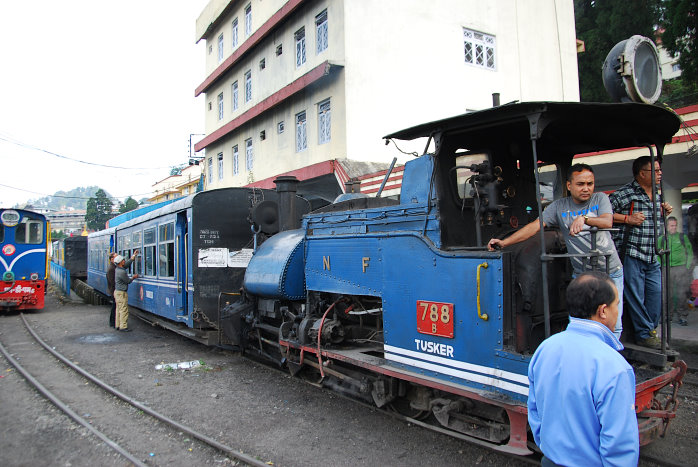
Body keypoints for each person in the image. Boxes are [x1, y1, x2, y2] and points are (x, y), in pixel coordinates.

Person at [487, 163, 624, 338]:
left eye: (590, 184)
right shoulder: (559, 207)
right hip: (582, 273)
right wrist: (504, 243)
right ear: (569, 185)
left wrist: (585, 219)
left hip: (610, 271)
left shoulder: (600, 199)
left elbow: (607, 221)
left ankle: (608, 361)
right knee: (578, 322)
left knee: (614, 324)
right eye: (581, 184)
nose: (586, 189)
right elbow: (534, 227)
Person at [528, 271, 638, 467]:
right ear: (603, 311)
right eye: (617, 305)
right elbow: (619, 443)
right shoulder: (615, 367)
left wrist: (549, 447)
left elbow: (534, 411)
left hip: (550, 460)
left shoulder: (544, 349)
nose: (617, 312)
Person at [610, 156, 673, 349]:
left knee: (655, 295)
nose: (660, 173)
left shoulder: (659, 195)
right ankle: (645, 334)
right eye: (656, 170)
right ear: (642, 174)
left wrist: (665, 212)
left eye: (660, 170)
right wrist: (628, 218)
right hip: (632, 252)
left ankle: (650, 333)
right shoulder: (625, 193)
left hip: (652, 253)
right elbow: (604, 215)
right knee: (635, 296)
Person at [660, 216, 694, 326]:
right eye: (671, 225)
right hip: (666, 268)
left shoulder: (682, 237)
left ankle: (682, 316)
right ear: (666, 226)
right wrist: (660, 266)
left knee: (681, 294)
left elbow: (690, 252)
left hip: (680, 268)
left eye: (675, 225)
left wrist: (687, 267)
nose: (674, 228)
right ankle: (666, 316)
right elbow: (657, 254)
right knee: (666, 294)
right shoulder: (662, 238)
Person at [114, 253, 139, 332]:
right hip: (121, 293)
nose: (124, 261)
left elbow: (126, 265)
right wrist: (133, 277)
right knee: (124, 310)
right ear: (120, 262)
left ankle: (117, 325)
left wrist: (133, 256)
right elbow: (128, 281)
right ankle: (123, 326)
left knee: (118, 309)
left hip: (117, 292)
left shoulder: (118, 269)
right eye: (123, 260)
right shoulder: (122, 272)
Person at [106, 252, 117, 328]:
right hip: (114, 290)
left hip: (114, 290)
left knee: (115, 306)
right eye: (116, 257)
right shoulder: (111, 268)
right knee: (114, 306)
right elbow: (112, 281)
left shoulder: (114, 267)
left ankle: (113, 322)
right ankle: (112, 322)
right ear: (112, 259)